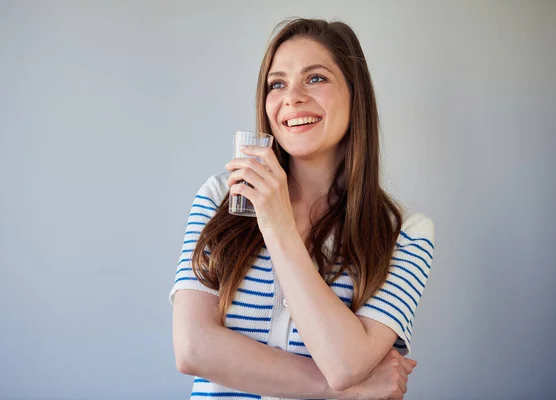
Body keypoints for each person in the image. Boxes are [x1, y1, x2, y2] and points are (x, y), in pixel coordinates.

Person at [170, 18, 435, 400]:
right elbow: (193, 349)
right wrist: (346, 389)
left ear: (354, 94)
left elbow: (345, 363)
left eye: (315, 78)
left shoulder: (405, 232)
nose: (291, 97)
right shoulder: (221, 198)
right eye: (277, 84)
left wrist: (278, 225)